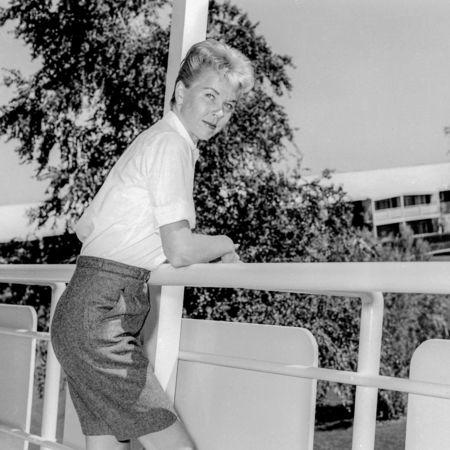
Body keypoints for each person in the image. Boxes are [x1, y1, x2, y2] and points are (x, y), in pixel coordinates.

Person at [50, 39, 255, 450]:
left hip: (82, 310)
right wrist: (225, 242)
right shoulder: (171, 145)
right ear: (180, 92)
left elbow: (87, 227)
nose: (219, 112)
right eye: (210, 95)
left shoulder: (154, 140)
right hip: (102, 318)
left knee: (108, 446)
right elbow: (178, 249)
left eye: (228, 105)